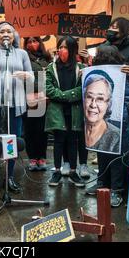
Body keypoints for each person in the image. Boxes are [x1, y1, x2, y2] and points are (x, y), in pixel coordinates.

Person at [0, 22, 33, 194]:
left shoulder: (22, 53)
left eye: (9, 31)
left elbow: (32, 77)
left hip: (14, 104)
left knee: (12, 140)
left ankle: (9, 176)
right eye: (1, 31)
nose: (5, 34)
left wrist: (26, 75)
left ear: (14, 35)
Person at [85, 45, 129, 208]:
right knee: (102, 153)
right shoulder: (101, 74)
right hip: (103, 123)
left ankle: (116, 189)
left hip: (118, 123)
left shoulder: (122, 74)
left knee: (115, 157)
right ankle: (102, 185)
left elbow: (127, 98)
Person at [45, 36, 88, 188]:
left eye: (64, 47)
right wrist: (65, 96)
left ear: (72, 50)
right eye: (59, 47)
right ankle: (57, 170)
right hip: (57, 111)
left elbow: (83, 89)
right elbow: (48, 88)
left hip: (75, 111)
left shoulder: (81, 69)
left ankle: (73, 172)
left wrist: (63, 96)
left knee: (73, 140)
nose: (61, 50)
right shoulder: (51, 68)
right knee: (58, 141)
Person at [22, 37, 52, 171]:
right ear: (26, 45)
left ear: (40, 43)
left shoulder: (48, 59)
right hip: (29, 100)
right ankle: (32, 158)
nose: (33, 44)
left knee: (42, 130)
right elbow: (23, 79)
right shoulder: (24, 59)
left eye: (35, 41)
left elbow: (51, 79)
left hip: (45, 101)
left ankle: (42, 157)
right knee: (30, 130)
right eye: (29, 42)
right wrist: (39, 86)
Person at [83, 71, 120, 154]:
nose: (93, 105)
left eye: (100, 99)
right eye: (89, 97)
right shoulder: (79, 129)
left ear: (108, 103)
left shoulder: (116, 137)